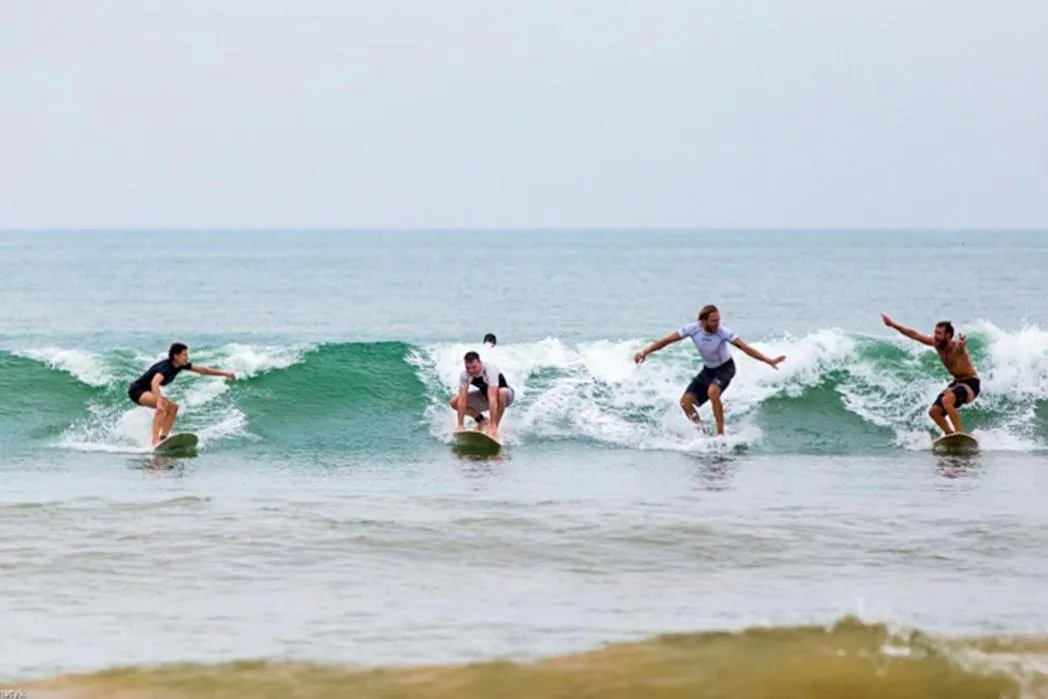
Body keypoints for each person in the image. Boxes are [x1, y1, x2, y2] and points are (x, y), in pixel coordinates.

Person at [634, 304, 785, 436]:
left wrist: (768, 360)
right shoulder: (692, 329)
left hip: (726, 368)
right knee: (685, 402)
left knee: (713, 392)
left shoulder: (723, 332)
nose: (717, 323)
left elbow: (746, 348)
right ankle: (701, 434)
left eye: (718, 320)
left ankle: (720, 434)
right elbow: (666, 341)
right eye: (713, 321)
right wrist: (644, 352)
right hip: (708, 370)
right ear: (703, 321)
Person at [881, 314, 979, 436]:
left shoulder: (956, 348)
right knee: (934, 412)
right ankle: (949, 434)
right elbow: (914, 334)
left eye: (939, 333)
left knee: (947, 401)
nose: (935, 336)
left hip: (971, 383)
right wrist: (893, 325)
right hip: (957, 382)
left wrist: (962, 346)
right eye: (935, 332)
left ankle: (960, 433)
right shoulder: (936, 344)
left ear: (948, 335)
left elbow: (961, 351)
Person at [127, 342, 236, 446]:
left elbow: (203, 370)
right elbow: (154, 382)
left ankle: (163, 438)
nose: (186, 357)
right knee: (162, 406)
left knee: (173, 407)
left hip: (147, 390)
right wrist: (158, 401)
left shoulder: (179, 365)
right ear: (176, 356)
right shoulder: (166, 368)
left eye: (186, 354)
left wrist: (225, 373)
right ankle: (155, 440)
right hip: (137, 390)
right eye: (184, 355)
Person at [450, 350, 514, 436]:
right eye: (468, 368)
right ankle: (481, 420)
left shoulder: (490, 370)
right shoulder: (465, 375)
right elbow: (462, 400)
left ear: (480, 362)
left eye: (474, 367)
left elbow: (493, 399)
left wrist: (492, 425)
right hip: (485, 396)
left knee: (501, 392)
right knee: (454, 402)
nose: (471, 370)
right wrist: (460, 425)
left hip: (505, 397)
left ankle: (494, 427)